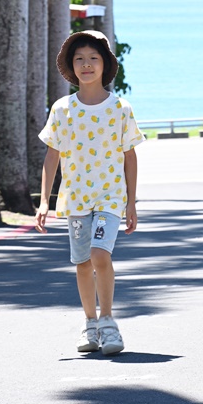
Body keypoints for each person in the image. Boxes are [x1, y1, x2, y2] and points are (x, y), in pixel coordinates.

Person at [35, 29, 145, 354]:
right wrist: (44, 201)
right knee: (82, 262)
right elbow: (51, 155)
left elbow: (130, 155)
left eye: (93, 58)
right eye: (79, 59)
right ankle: (90, 325)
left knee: (100, 255)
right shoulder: (62, 109)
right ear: (72, 66)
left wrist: (131, 203)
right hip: (76, 200)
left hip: (110, 198)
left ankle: (109, 323)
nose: (86, 65)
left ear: (105, 64)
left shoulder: (121, 108)